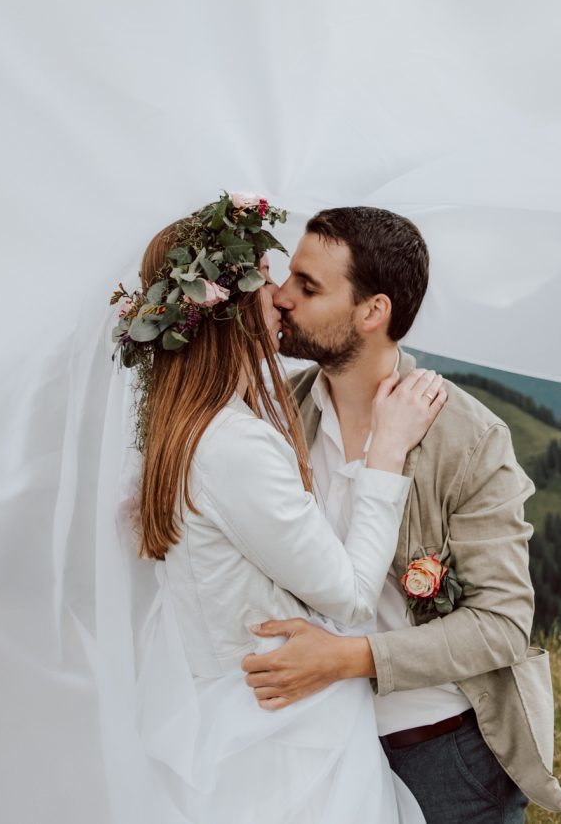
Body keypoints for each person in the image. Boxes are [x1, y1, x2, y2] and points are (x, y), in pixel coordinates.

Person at [100, 193, 447, 823]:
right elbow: (348, 596)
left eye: (295, 282)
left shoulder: (180, 431)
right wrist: (387, 451)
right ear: (229, 309)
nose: (281, 295)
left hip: (226, 723)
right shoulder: (233, 444)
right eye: (269, 280)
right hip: (289, 746)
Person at [241, 206, 561, 822]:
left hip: (439, 757)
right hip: (308, 749)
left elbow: (502, 624)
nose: (281, 298)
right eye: (289, 276)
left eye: (308, 287)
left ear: (373, 312)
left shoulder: (469, 439)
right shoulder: (273, 417)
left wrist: (347, 659)